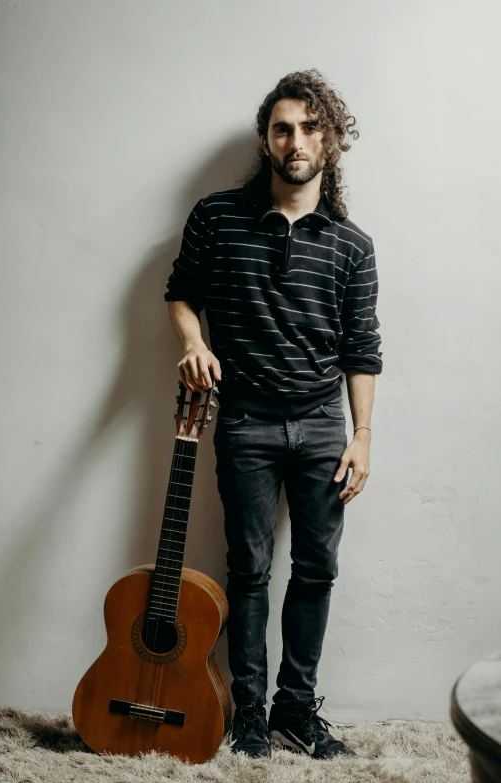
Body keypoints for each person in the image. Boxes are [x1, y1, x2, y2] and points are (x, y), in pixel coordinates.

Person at [164, 68, 383, 760]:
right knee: (250, 567)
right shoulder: (217, 216)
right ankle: (250, 713)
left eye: (311, 127)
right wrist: (195, 343)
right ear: (267, 138)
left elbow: (363, 349)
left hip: (324, 424)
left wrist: (363, 436)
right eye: (284, 127)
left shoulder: (353, 246)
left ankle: (296, 709)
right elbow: (180, 292)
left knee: (316, 568)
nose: (297, 139)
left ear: (332, 139)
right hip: (246, 421)